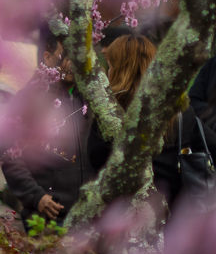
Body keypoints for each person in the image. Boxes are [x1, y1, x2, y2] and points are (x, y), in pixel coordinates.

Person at [87, 33, 209, 213]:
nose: (108, 71)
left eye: (111, 65)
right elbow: (209, 145)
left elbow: (96, 159)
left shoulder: (110, 113)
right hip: (175, 219)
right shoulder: (179, 111)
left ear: (120, 69)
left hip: (123, 221)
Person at [0, 29, 92, 226]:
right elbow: (9, 154)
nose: (70, 63)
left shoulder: (83, 97)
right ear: (47, 57)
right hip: (46, 215)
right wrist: (36, 196)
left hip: (81, 218)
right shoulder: (29, 99)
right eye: (63, 56)